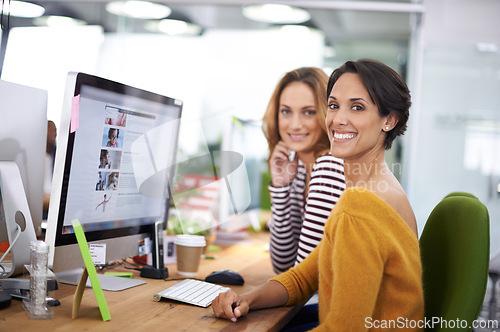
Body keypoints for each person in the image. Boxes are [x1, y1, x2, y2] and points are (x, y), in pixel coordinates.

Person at [212, 59, 424, 330]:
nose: (338, 119)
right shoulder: (367, 190)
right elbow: (303, 278)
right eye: (334, 105)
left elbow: (344, 329)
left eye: (357, 107)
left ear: (389, 120)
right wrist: (246, 300)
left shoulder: (362, 205)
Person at [262, 67, 345, 274]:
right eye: (286, 111)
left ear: (327, 115)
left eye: (308, 112)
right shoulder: (300, 170)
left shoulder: (330, 166)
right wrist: (281, 186)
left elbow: (304, 276)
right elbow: (283, 264)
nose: (295, 124)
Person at [43, 120, 57, 218]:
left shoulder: (58, 154)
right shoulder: (34, 155)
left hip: (53, 198)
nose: (55, 134)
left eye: (55, 131)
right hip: (42, 200)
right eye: (51, 130)